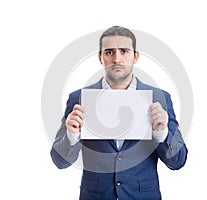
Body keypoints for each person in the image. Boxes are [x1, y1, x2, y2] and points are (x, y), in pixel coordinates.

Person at [50, 26, 188, 200]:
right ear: (100, 58)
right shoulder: (79, 98)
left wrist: (161, 132)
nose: (117, 59)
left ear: (135, 56)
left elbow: (178, 161)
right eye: (109, 52)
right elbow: (59, 161)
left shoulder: (160, 98)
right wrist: (71, 136)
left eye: (124, 51)